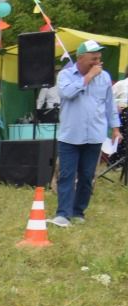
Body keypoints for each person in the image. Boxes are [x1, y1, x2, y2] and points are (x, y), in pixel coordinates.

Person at [51, 40, 122, 228]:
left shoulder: (105, 77)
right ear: (80, 58)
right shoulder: (65, 75)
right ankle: (63, 215)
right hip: (70, 136)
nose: (98, 62)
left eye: (99, 58)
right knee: (66, 175)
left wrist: (115, 128)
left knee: (87, 175)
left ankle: (78, 212)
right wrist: (88, 77)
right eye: (93, 59)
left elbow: (109, 104)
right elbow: (67, 93)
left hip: (95, 135)